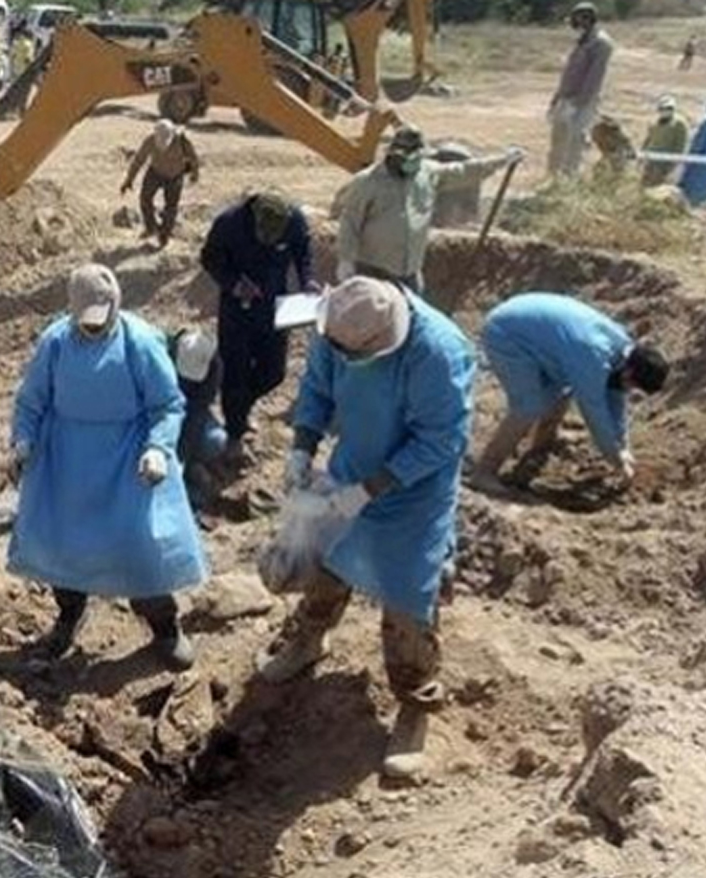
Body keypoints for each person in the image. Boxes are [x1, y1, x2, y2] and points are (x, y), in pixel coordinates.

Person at [259, 277, 475, 779]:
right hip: (352, 467)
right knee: (329, 565)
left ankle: (416, 703)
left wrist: (369, 491)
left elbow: (440, 441)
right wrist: (302, 448)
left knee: (407, 600)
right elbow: (317, 388)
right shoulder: (339, 322)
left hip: (414, 495)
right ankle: (308, 640)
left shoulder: (439, 354)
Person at [6, 264, 207, 670]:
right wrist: (22, 441)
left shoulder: (140, 342)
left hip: (127, 463)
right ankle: (68, 616)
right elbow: (31, 400)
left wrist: (158, 448)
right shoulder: (55, 342)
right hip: (67, 463)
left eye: (101, 320)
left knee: (140, 547)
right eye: (86, 321)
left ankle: (165, 627)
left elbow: (167, 404)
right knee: (65, 547)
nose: (93, 328)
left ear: (115, 305)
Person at [471, 293, 670, 494]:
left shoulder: (623, 353)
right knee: (528, 406)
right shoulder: (593, 355)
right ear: (629, 372)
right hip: (506, 333)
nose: (630, 390)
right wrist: (616, 458)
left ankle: (543, 444)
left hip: (535, 332)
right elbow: (595, 412)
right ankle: (485, 472)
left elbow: (615, 395)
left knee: (562, 390)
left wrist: (623, 446)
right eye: (634, 386)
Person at [336, 126, 523, 295]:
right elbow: (350, 221)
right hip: (375, 273)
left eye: (419, 156)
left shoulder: (427, 173)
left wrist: (503, 160)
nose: (416, 161)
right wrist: (346, 260)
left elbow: (464, 171)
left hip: (410, 273)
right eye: (411, 158)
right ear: (395, 154)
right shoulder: (368, 181)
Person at [200, 192, 313, 466]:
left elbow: (303, 251)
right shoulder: (229, 223)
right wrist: (235, 284)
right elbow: (210, 258)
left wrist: (307, 280)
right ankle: (234, 436)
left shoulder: (295, 221)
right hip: (237, 309)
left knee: (274, 373)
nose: (269, 241)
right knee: (235, 372)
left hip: (274, 306)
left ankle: (238, 411)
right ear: (254, 219)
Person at [547, 1, 615, 179]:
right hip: (565, 98)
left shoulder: (601, 43)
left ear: (587, 19)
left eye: (577, 20)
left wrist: (578, 105)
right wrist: (556, 99)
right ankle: (552, 179)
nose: (574, 25)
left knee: (574, 142)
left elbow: (594, 78)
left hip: (582, 103)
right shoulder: (582, 40)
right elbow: (569, 73)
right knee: (558, 141)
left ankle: (569, 180)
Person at [168, 328, 227, 509]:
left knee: (215, 441)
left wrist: (181, 458)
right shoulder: (160, 355)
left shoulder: (214, 367)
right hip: (160, 415)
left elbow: (196, 413)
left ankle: (190, 465)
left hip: (189, 415)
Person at [121, 120, 200, 249]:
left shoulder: (182, 142)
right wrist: (129, 180)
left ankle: (164, 234)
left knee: (171, 207)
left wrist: (195, 173)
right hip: (155, 173)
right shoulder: (150, 141)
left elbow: (193, 158)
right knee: (145, 198)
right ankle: (151, 227)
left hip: (175, 176)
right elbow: (138, 160)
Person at [640, 95, 689, 187]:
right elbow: (649, 139)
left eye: (669, 108)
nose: (665, 111)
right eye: (663, 108)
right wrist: (642, 155)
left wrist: (671, 166)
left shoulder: (679, 124)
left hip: (664, 164)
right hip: (651, 162)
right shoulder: (655, 123)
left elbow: (680, 146)